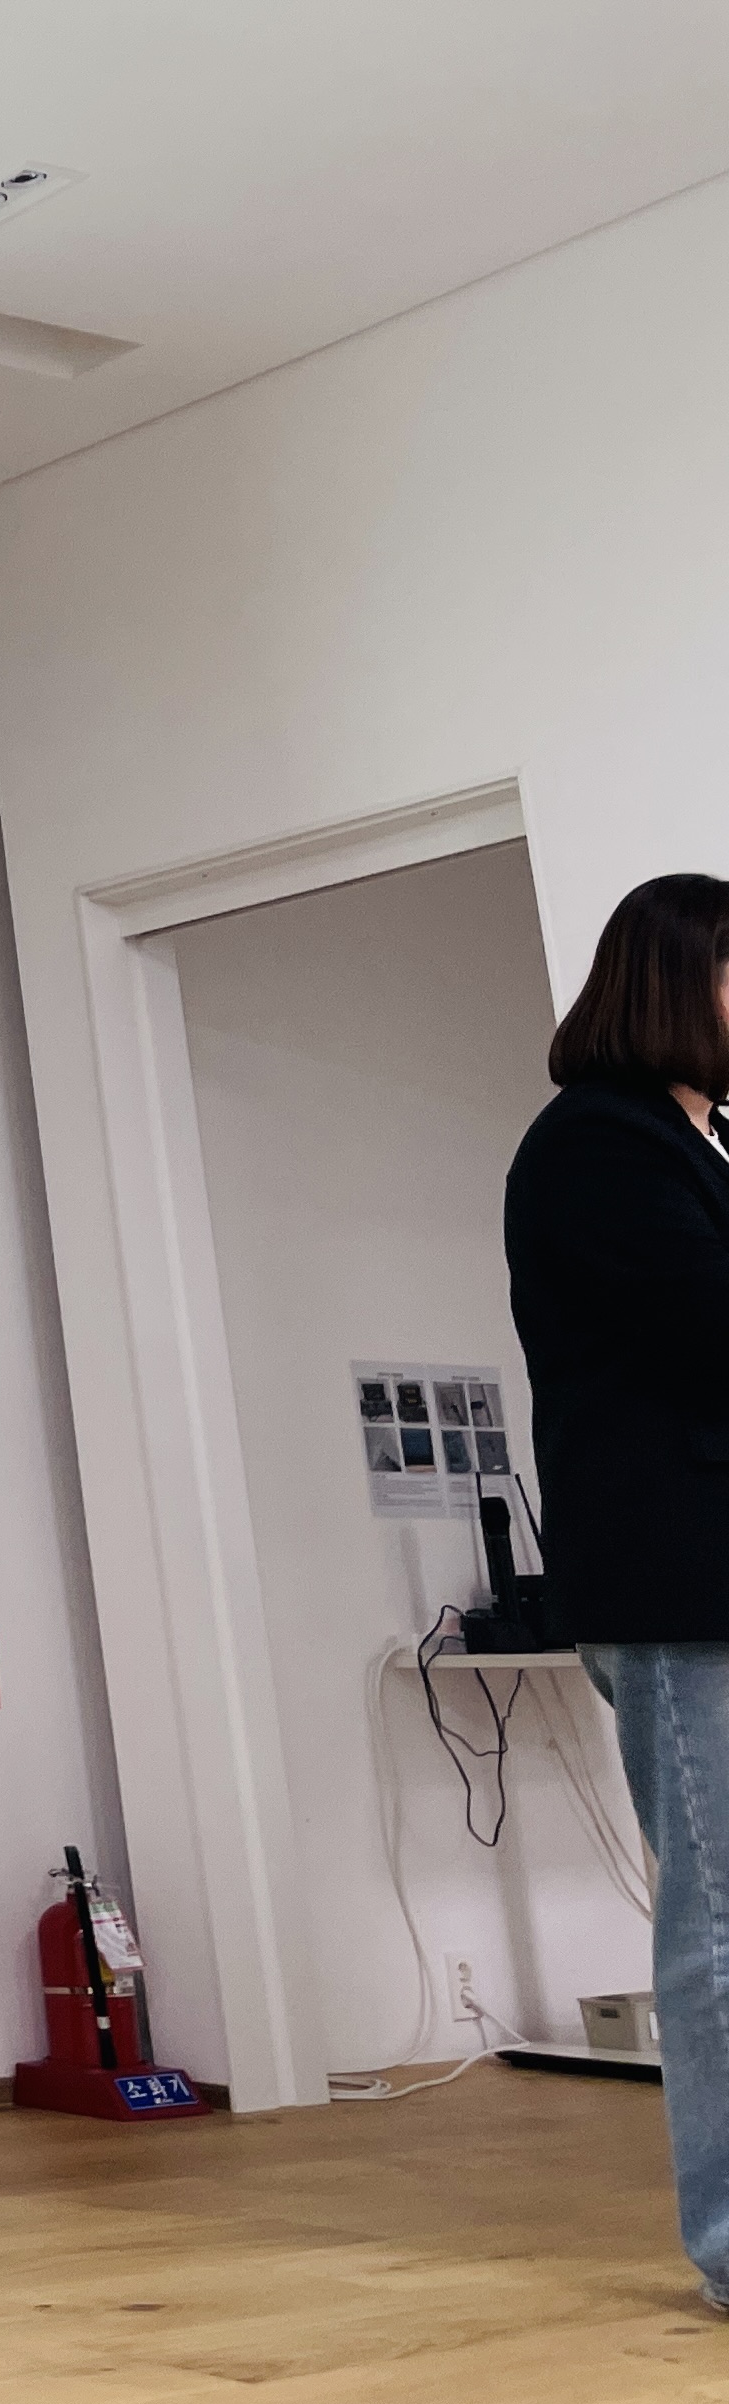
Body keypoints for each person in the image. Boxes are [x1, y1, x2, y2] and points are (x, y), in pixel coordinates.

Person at [505, 871, 729, 2306]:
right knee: (721, 1928)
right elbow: (709, 1335)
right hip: (681, 1588)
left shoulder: (699, 1144)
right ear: (678, 983)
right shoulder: (597, 1143)